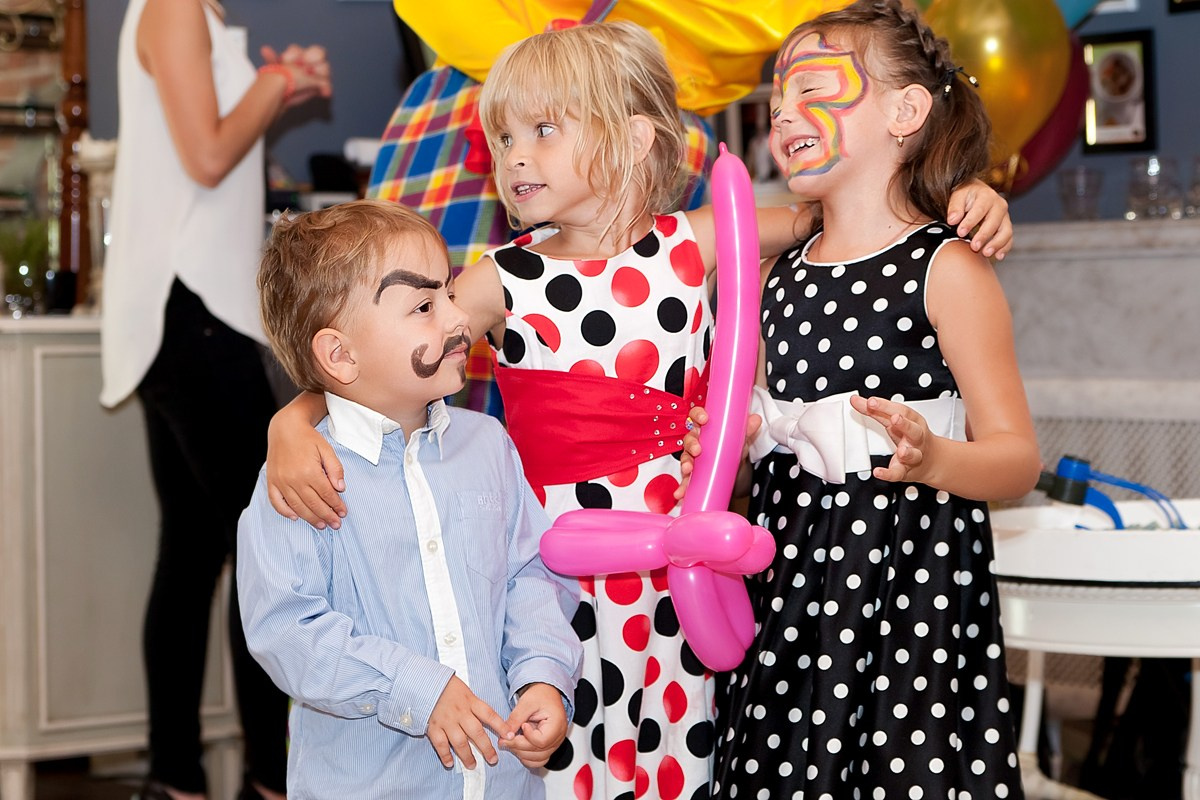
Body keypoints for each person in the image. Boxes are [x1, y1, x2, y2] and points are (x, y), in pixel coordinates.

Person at [261, 21, 1016, 800]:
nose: (514, 156)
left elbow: (858, 214)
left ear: (631, 139)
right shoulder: (501, 280)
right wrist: (296, 418)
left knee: (677, 760)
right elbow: (384, 355)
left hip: (676, 575)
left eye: (543, 131)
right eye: (504, 137)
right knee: (559, 758)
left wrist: (958, 195)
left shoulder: (698, 242)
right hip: (550, 579)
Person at [680, 2, 1042, 798]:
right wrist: (729, 452)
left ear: (905, 112)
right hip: (789, 594)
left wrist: (933, 458)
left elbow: (1017, 458)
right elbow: (756, 462)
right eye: (778, 103)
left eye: (813, 91)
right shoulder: (773, 279)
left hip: (909, 599)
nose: (784, 116)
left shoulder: (947, 268)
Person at [237, 199, 582, 798]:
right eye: (424, 306)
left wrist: (543, 677)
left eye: (448, 293)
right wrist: (414, 687)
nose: (458, 317)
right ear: (340, 355)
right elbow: (287, 630)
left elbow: (529, 575)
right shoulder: (301, 480)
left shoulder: (487, 446)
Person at [99, 1, 331, 798]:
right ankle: (268, 778)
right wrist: (277, 80)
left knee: (195, 551)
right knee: (264, 547)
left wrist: (276, 86)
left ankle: (177, 777)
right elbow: (206, 156)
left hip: (187, 313)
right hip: (195, 310)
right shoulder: (172, 6)